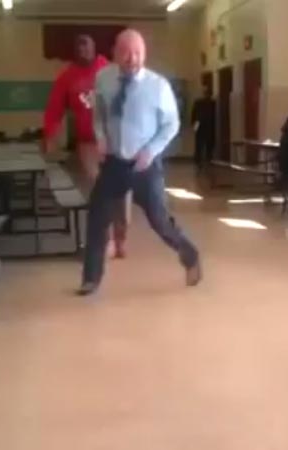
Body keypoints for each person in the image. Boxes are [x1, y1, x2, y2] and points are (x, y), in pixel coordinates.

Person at [79, 29, 201, 295]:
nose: (132, 58)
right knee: (97, 217)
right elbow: (99, 114)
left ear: (144, 54)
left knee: (160, 221)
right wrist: (101, 137)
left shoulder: (158, 86)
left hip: (144, 165)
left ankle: (190, 255)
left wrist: (150, 151)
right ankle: (91, 279)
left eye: (137, 53)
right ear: (115, 53)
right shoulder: (104, 78)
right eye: (126, 52)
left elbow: (172, 124)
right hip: (113, 162)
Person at [43, 34, 129, 258]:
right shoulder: (67, 77)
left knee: (120, 193)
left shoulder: (110, 70)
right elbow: (54, 108)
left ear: (94, 48)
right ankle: (107, 240)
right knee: (100, 190)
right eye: (79, 48)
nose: (83, 51)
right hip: (88, 144)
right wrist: (50, 135)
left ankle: (121, 237)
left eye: (86, 47)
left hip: (115, 141)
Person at [191, 85, 216, 170]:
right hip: (208, 126)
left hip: (202, 125)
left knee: (202, 143)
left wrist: (194, 125)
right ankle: (205, 159)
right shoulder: (212, 103)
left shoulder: (199, 103)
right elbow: (194, 115)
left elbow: (194, 115)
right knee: (206, 143)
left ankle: (201, 159)